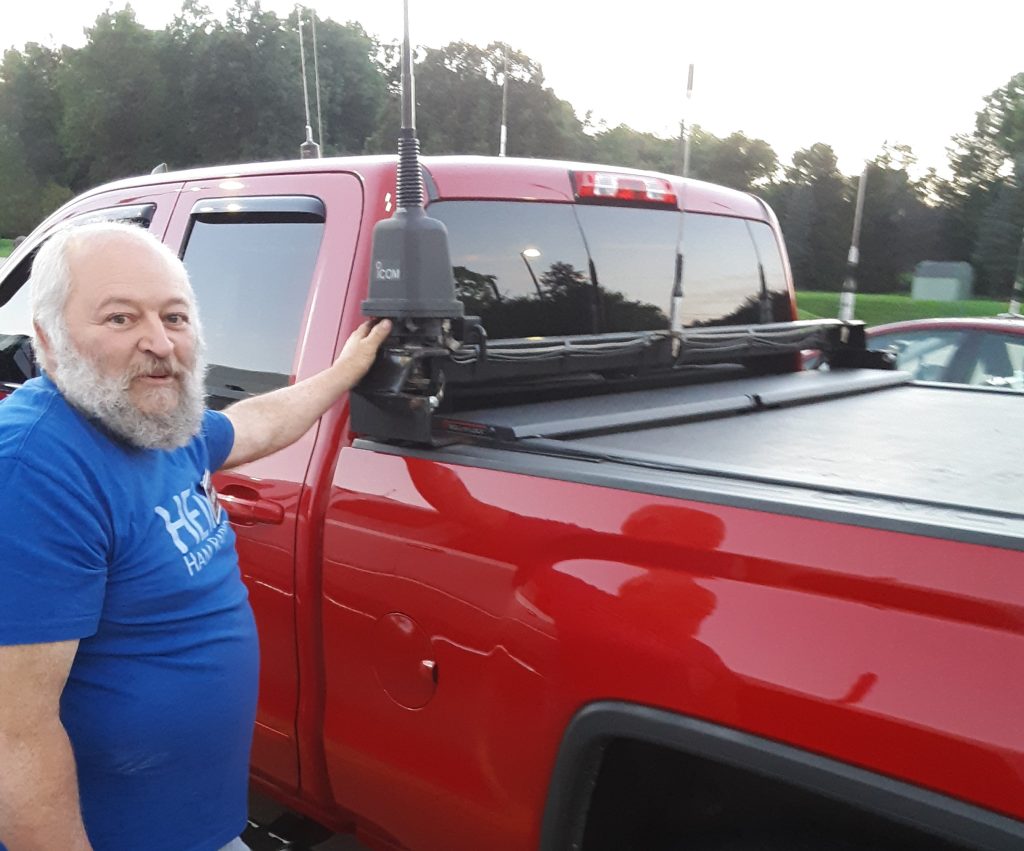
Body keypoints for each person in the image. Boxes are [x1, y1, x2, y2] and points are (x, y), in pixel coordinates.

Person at [0, 221, 391, 851]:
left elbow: (254, 424)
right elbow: (13, 737)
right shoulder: (33, 469)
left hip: (201, 828)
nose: (160, 343)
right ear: (48, 339)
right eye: (121, 319)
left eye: (175, 317)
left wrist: (345, 371)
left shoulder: (150, 420)